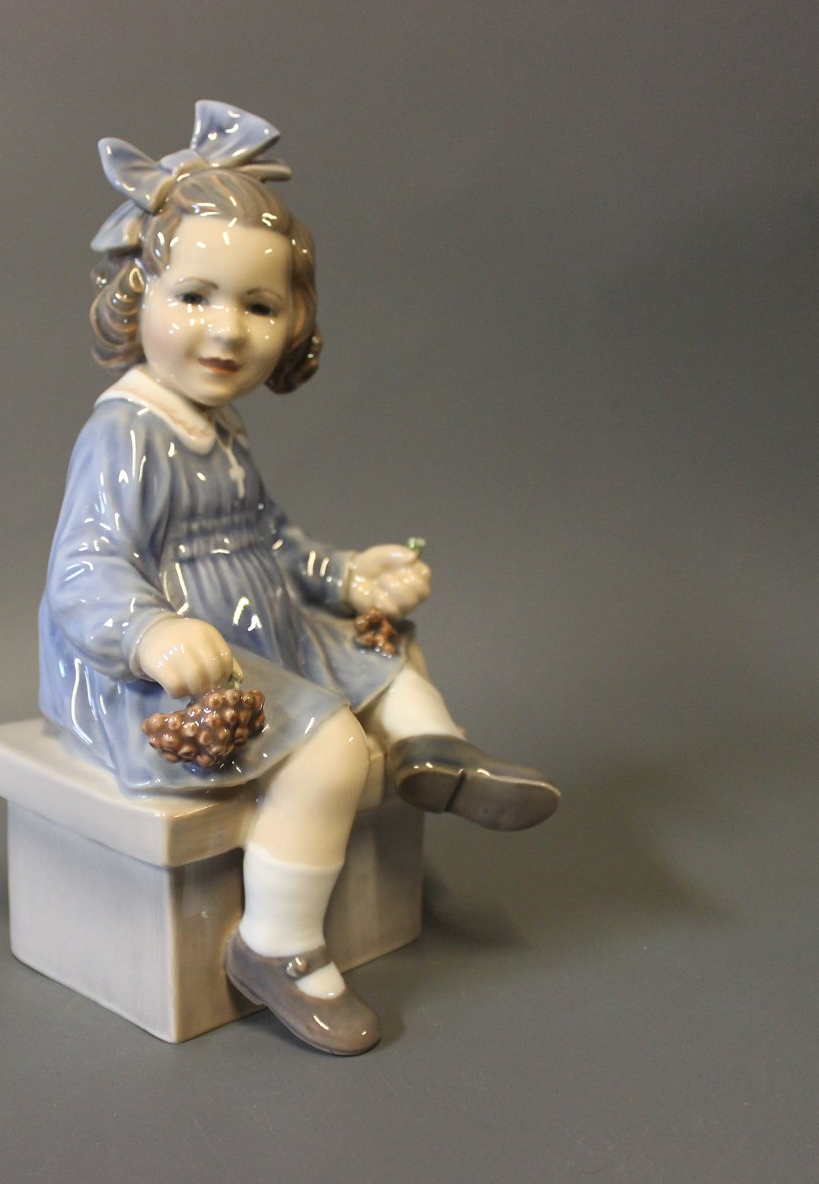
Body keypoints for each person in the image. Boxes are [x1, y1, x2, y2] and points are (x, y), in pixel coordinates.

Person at [38, 102, 558, 1054]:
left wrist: (350, 576)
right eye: (195, 296)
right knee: (329, 751)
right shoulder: (125, 433)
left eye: (259, 306)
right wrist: (152, 634)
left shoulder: (222, 430)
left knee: (385, 652)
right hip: (162, 672)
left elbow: (273, 542)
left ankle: (436, 755)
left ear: (294, 324)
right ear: (137, 297)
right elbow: (83, 572)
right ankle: (275, 942)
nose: (226, 330)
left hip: (255, 623)